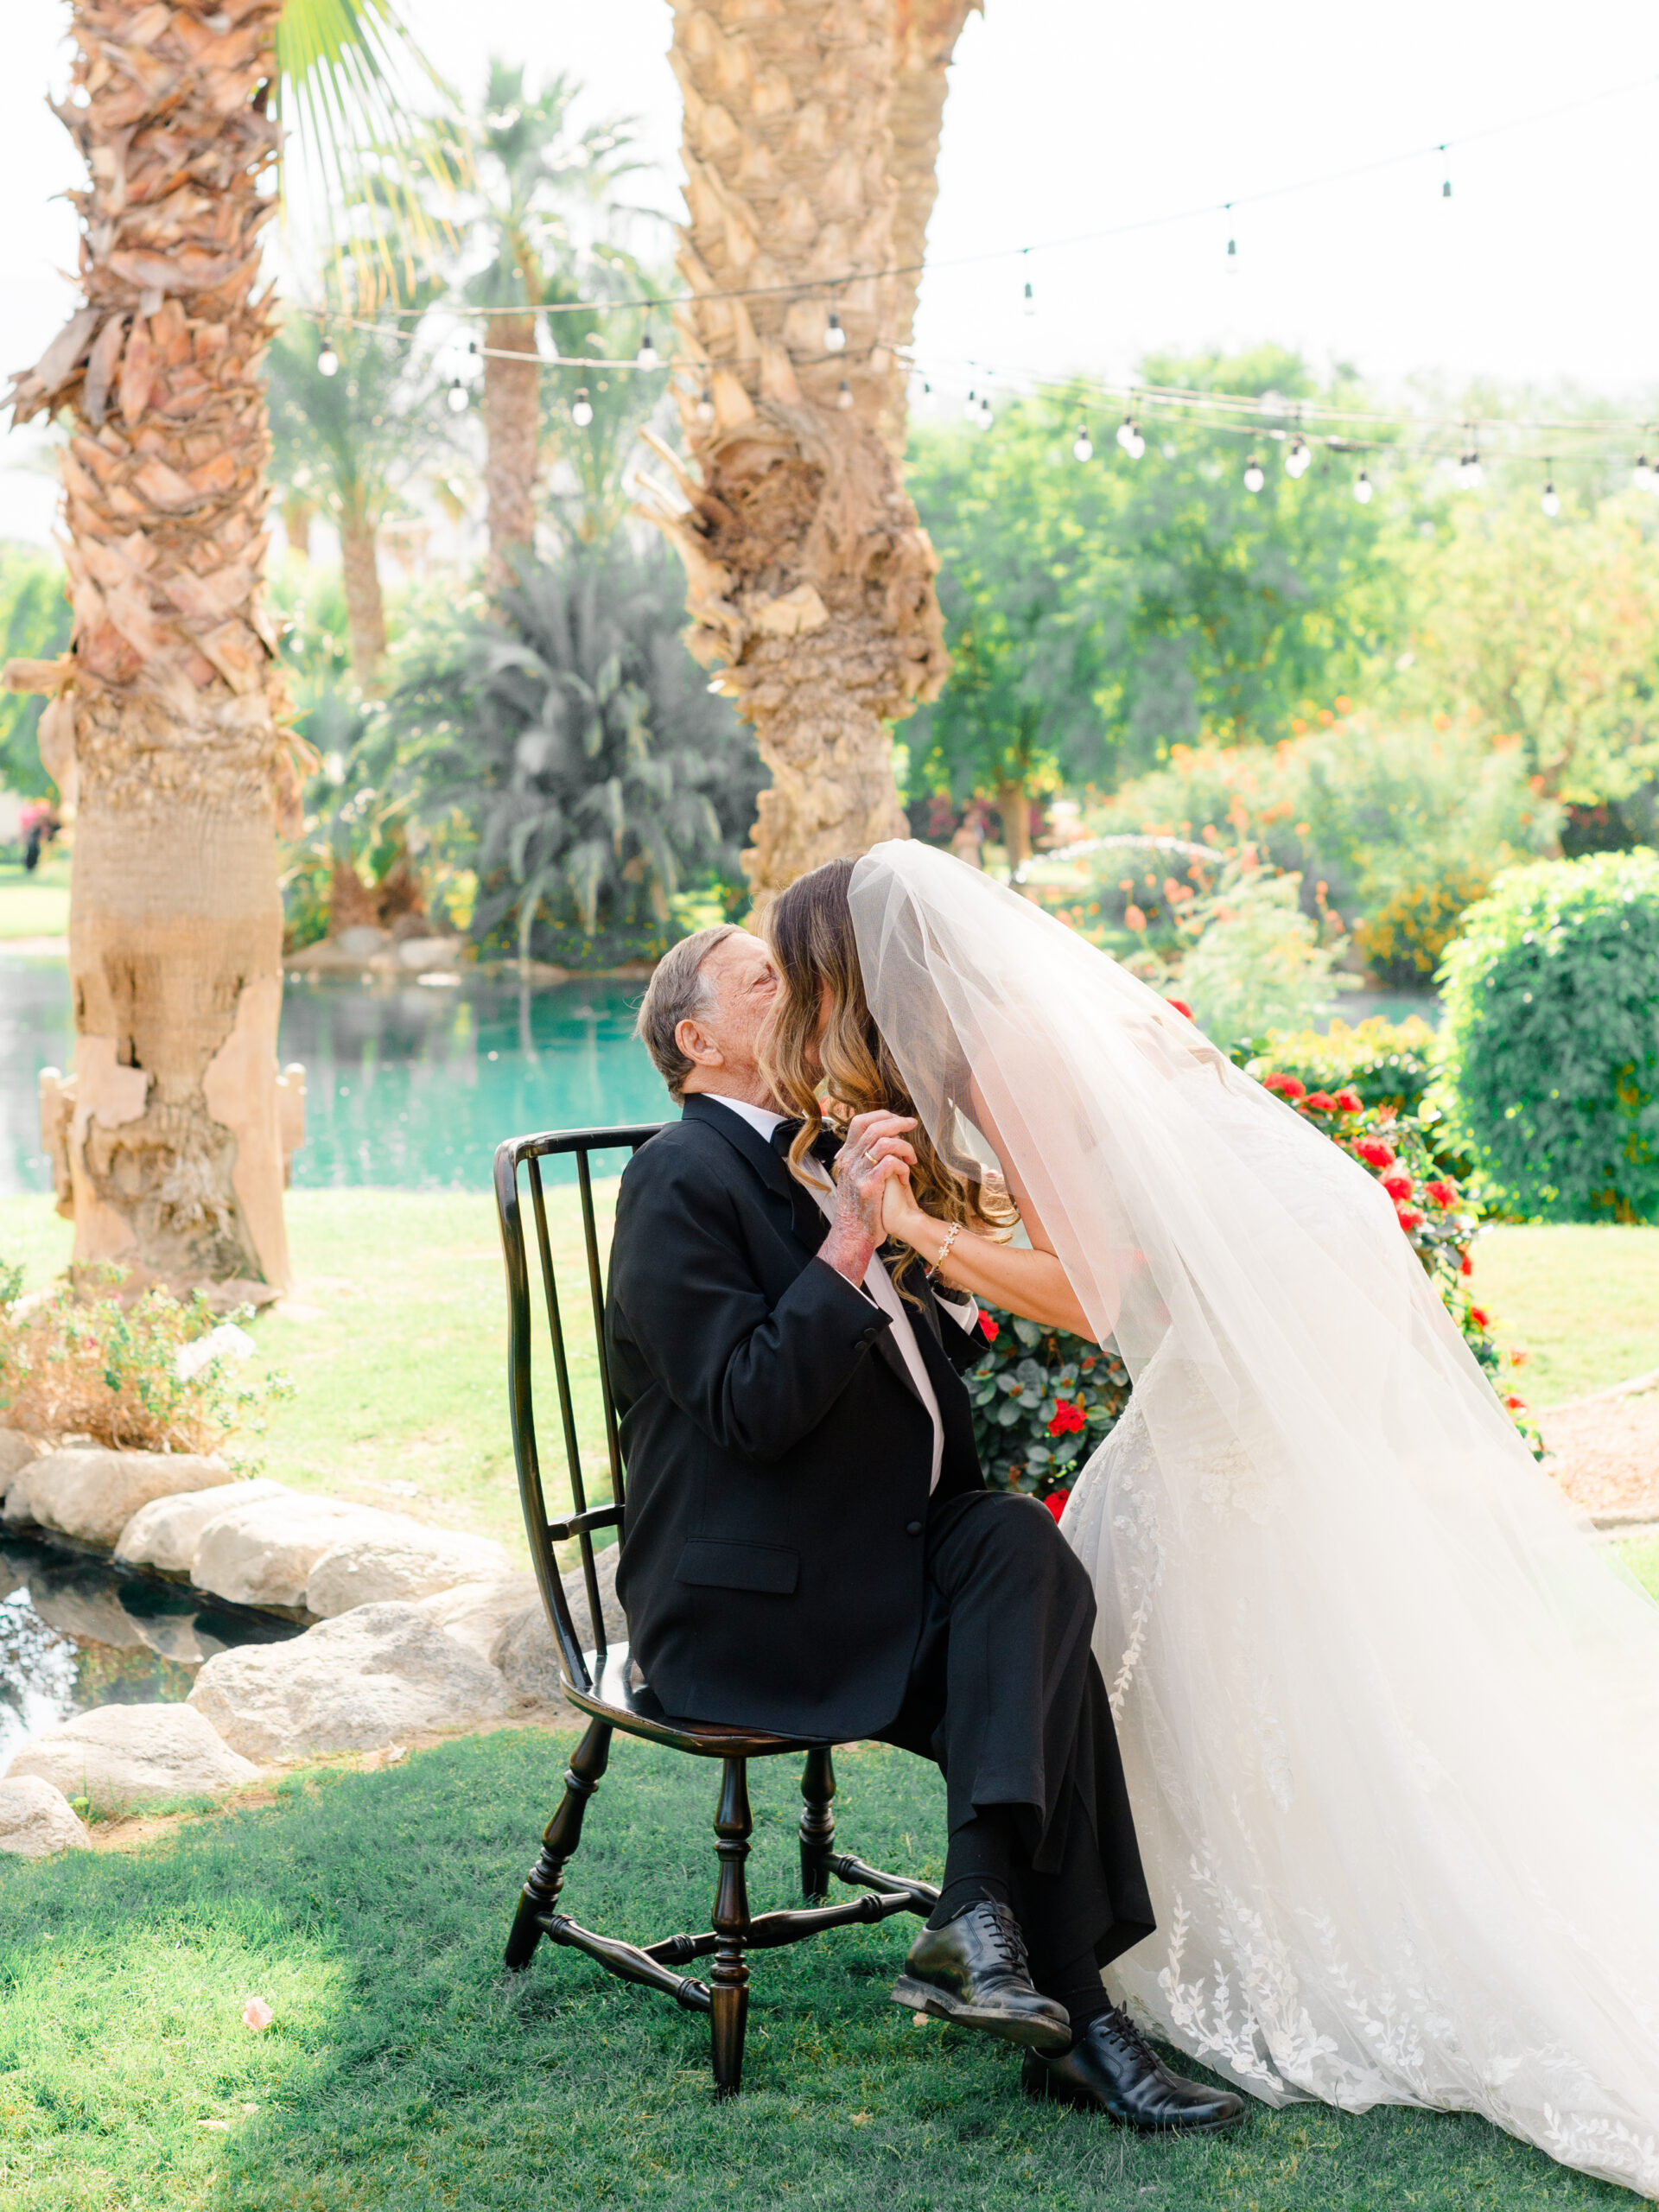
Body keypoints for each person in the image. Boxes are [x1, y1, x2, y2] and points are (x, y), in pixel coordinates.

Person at [760, 841, 1659, 2202]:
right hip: (1314, 1249)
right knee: (1254, 1545)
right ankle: (1213, 1881)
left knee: (1144, 1537)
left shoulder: (1002, 1051)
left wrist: (905, 1235)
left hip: (1283, 1289)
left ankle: (1185, 1926)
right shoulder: (1043, 1013)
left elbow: (1096, 1288)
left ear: (866, 978)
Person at [606, 921, 1243, 2133]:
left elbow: (892, 1353)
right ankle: (1081, 2025)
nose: (797, 993)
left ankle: (981, 1918)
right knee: (1036, 1660)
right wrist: (851, 1240)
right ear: (697, 1042)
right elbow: (747, 1407)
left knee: (1018, 1547)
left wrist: (930, 1262)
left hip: (867, 1559)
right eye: (762, 982)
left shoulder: (810, 1159)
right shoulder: (678, 1178)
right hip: (752, 1606)